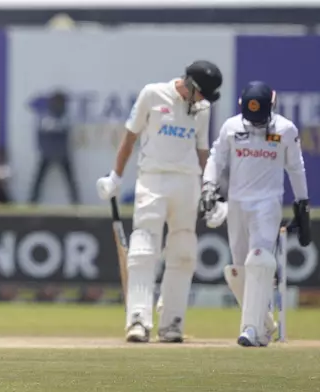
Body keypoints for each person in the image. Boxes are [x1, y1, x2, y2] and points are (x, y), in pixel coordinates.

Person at [95, 60, 223, 343]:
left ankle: (172, 322)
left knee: (184, 252)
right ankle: (138, 320)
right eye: (201, 93)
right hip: (152, 179)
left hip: (187, 182)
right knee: (143, 249)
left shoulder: (203, 108)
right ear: (189, 84)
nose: (202, 100)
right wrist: (116, 176)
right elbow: (129, 139)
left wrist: (209, 191)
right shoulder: (152, 94)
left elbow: (202, 152)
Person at [201, 81, 310, 347]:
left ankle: (249, 329)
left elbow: (296, 168)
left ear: (272, 105)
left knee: (259, 260)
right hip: (237, 204)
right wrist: (208, 186)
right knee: (238, 271)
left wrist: (302, 203)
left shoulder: (285, 129)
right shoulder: (231, 127)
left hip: (267, 204)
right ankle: (265, 324)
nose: (257, 126)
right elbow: (216, 158)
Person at [29, 91, 79, 204]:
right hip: (48, 153)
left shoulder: (66, 115)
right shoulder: (46, 114)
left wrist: (54, 126)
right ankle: (32, 201)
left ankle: (76, 202)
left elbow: (63, 127)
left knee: (70, 181)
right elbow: (43, 129)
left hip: (62, 153)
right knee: (38, 181)